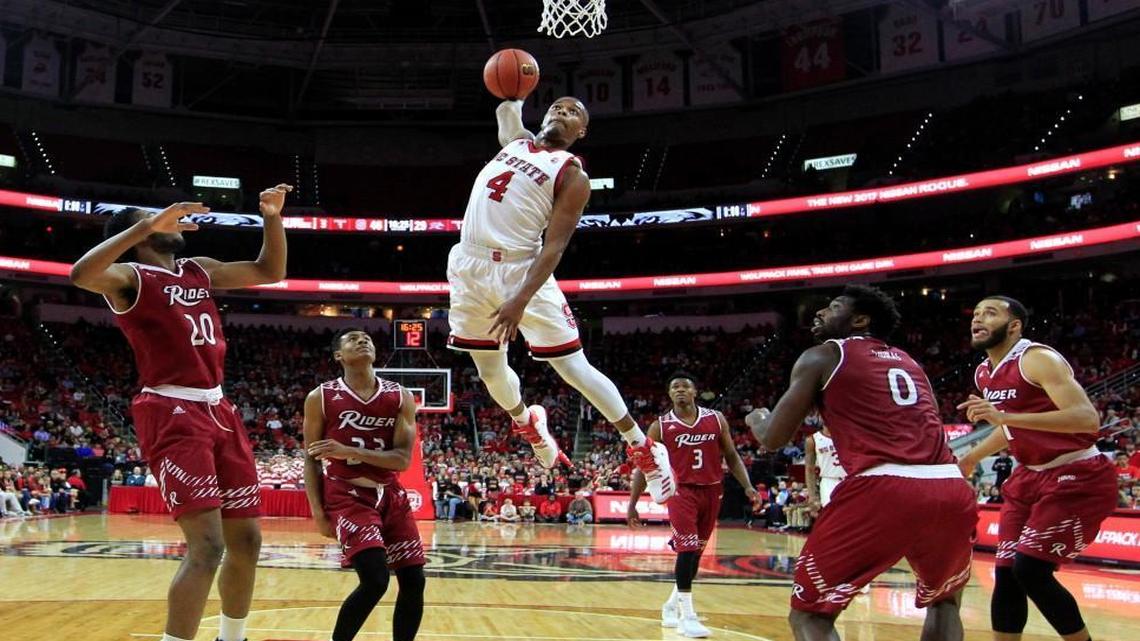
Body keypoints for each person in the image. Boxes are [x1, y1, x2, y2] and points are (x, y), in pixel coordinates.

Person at [69, 185, 291, 641]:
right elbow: (80, 274)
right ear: (140, 232)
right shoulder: (129, 278)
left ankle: (233, 637)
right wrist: (145, 226)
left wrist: (271, 217)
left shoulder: (198, 271)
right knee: (206, 548)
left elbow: (271, 271)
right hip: (170, 408)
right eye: (154, 220)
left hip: (218, 407)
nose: (169, 220)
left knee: (247, 541)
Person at [444, 96, 674, 503]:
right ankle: (527, 422)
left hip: (523, 269)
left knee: (573, 368)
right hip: (469, 265)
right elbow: (504, 111)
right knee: (490, 373)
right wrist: (516, 89)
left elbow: (554, 248)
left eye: (573, 113)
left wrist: (519, 299)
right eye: (556, 107)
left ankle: (644, 448)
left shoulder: (572, 176)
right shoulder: (516, 143)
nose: (561, 113)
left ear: (581, 132)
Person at [746, 285, 976, 641]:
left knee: (810, 616)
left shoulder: (823, 355)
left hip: (885, 486)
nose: (820, 313)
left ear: (860, 319)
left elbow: (772, 438)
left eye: (832, 307)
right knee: (944, 602)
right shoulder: (909, 361)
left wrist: (756, 418)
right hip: (949, 485)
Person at [956, 296, 1116, 641]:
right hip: (1029, 476)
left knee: (1031, 570)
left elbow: (1088, 419)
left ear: (1014, 326)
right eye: (977, 313)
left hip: (1077, 474)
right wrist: (970, 457)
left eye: (991, 313)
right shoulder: (984, 373)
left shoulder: (1037, 359)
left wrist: (1006, 417)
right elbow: (1010, 428)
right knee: (1007, 573)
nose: (978, 318)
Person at [303, 328, 426, 641]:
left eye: (367, 338)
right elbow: (311, 458)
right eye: (353, 338)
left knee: (414, 579)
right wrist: (318, 512)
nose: (363, 340)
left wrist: (349, 451)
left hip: (390, 494)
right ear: (338, 356)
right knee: (375, 580)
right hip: (346, 494)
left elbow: (401, 460)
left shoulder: (400, 396)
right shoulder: (321, 397)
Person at [628, 372, 757, 638]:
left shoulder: (715, 419)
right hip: (680, 491)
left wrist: (748, 486)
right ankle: (688, 617)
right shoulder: (660, 426)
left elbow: (731, 455)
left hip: (711, 490)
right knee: (686, 549)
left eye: (685, 386)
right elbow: (643, 466)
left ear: (695, 391)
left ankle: (670, 605)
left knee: (695, 554)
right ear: (669, 394)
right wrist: (633, 503)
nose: (680, 390)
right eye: (675, 387)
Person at [804, 423, 846, 516]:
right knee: (832, 515)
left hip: (849, 479)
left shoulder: (847, 434)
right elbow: (809, 469)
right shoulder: (812, 440)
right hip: (829, 481)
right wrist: (812, 496)